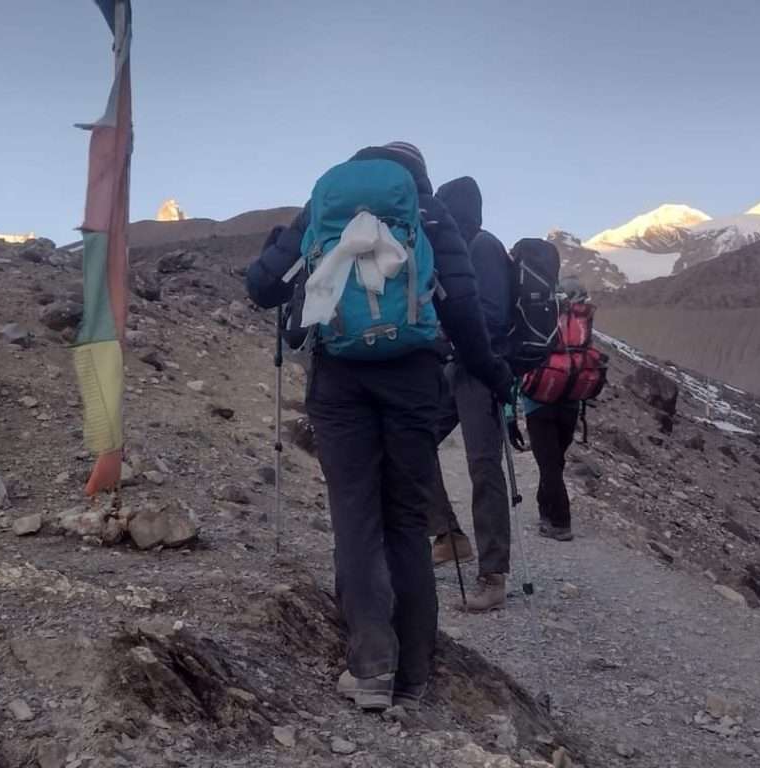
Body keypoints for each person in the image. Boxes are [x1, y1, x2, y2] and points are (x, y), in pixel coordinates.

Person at [245, 143, 513, 711]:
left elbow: (261, 288)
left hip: (339, 381)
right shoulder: (430, 214)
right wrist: (492, 373)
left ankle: (370, 667)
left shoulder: (323, 208)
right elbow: (463, 307)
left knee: (355, 512)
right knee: (406, 517)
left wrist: (275, 250)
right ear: (417, 174)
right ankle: (414, 673)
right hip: (414, 380)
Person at [427, 176, 514, 613]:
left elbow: (492, 318)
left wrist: (449, 338)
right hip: (456, 368)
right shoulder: (463, 247)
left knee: (483, 465)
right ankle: (449, 535)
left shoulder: (482, 247)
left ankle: (493, 575)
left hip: (482, 370)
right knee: (416, 439)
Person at [521, 277, 586, 542]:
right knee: (554, 461)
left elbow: (521, 361)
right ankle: (545, 510)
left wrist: (509, 412)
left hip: (538, 403)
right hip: (570, 402)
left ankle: (560, 521)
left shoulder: (533, 320)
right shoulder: (579, 323)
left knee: (549, 464)